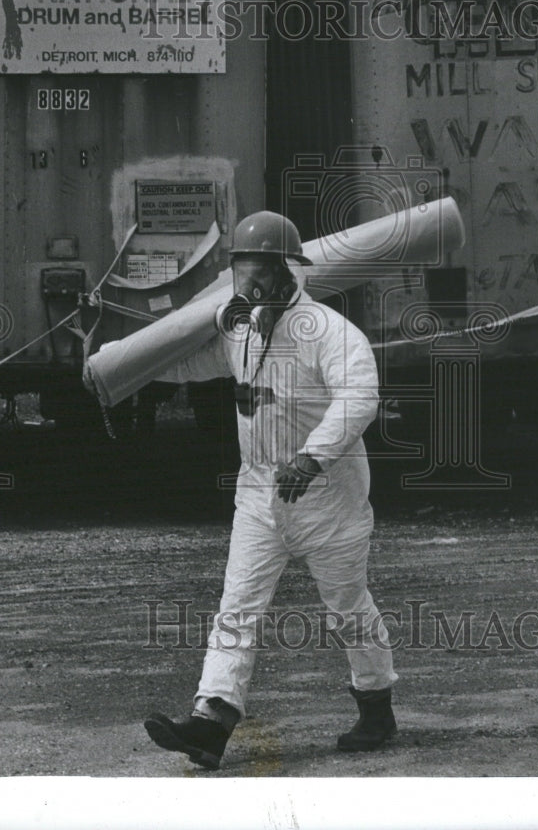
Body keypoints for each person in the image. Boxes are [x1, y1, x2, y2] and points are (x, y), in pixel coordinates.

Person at [142, 211, 398, 770]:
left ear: (288, 272)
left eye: (260, 275)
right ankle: (211, 722)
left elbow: (360, 396)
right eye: (242, 275)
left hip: (328, 498)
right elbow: (186, 362)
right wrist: (132, 361)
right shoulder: (242, 330)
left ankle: (376, 707)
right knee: (236, 607)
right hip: (258, 496)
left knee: (348, 607)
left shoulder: (329, 332)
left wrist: (311, 457)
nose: (251, 287)